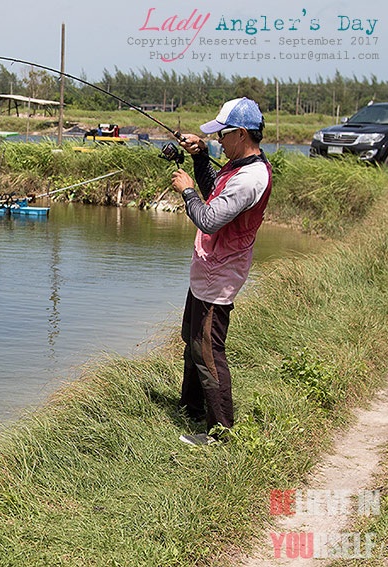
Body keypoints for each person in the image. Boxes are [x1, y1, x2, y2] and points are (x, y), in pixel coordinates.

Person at [169, 97, 273, 446]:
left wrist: (186, 192)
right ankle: (192, 407)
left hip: (221, 273)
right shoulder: (238, 165)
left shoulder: (250, 178)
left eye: (222, 135)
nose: (218, 141)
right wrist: (200, 156)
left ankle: (220, 432)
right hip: (209, 267)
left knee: (209, 351)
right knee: (192, 340)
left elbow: (209, 218)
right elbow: (215, 192)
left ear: (241, 134)